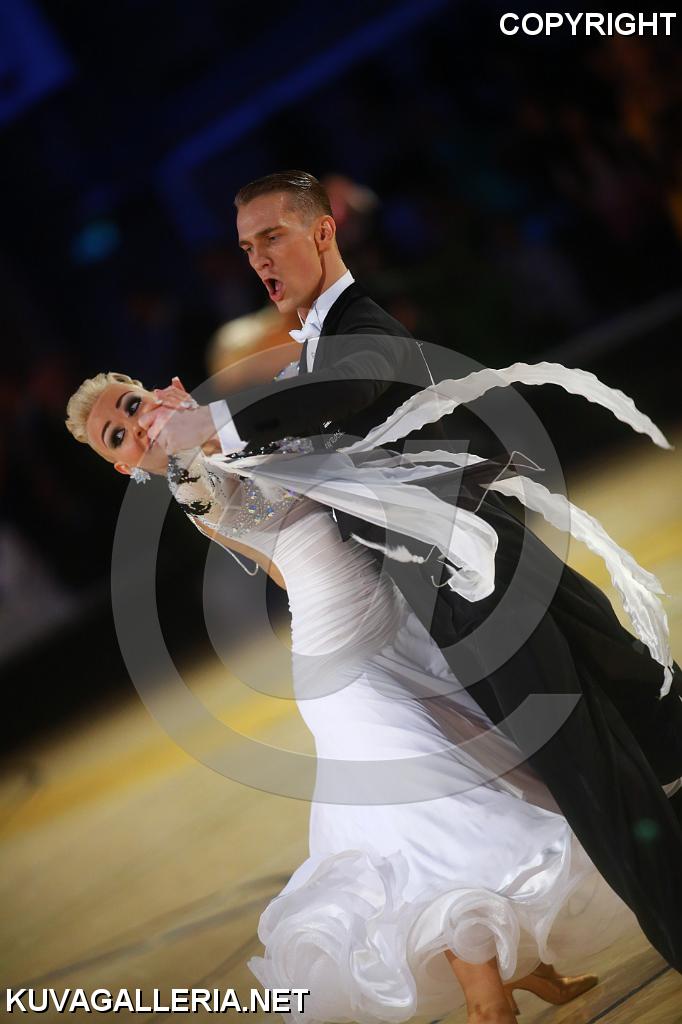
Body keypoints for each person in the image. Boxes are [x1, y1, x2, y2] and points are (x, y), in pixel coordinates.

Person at [140, 171, 682, 976]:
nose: (259, 259)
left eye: (273, 237)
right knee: (643, 709)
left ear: (323, 232)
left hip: (474, 585)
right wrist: (190, 453)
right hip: (480, 571)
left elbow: (348, 384)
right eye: (247, 247)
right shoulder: (314, 348)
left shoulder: (358, 327)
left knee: (596, 771)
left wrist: (210, 419)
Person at [66, 364, 677, 1023]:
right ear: (123, 466)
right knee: (435, 824)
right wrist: (191, 432)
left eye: (131, 405)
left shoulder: (234, 431)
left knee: (495, 787)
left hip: (403, 640)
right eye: (117, 436)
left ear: (160, 391)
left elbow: (287, 556)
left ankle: (522, 966)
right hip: (346, 674)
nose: (134, 426)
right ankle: (487, 1003)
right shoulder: (192, 482)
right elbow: (209, 479)